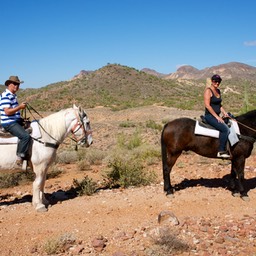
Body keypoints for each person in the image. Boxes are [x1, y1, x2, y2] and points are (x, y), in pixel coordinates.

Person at [0, 76, 32, 166]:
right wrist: (20, 107)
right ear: (9, 84)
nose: (16, 86)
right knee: (25, 136)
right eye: (14, 84)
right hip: (9, 123)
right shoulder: (6, 96)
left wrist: (21, 118)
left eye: (18, 84)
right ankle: (20, 157)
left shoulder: (13, 96)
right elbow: (7, 112)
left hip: (14, 121)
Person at [204, 74, 230, 158]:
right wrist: (217, 117)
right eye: (215, 81)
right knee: (225, 130)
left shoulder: (218, 91)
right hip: (209, 116)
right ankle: (221, 151)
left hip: (217, 115)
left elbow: (219, 105)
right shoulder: (208, 91)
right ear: (212, 81)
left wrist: (224, 113)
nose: (217, 83)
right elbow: (208, 105)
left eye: (219, 81)